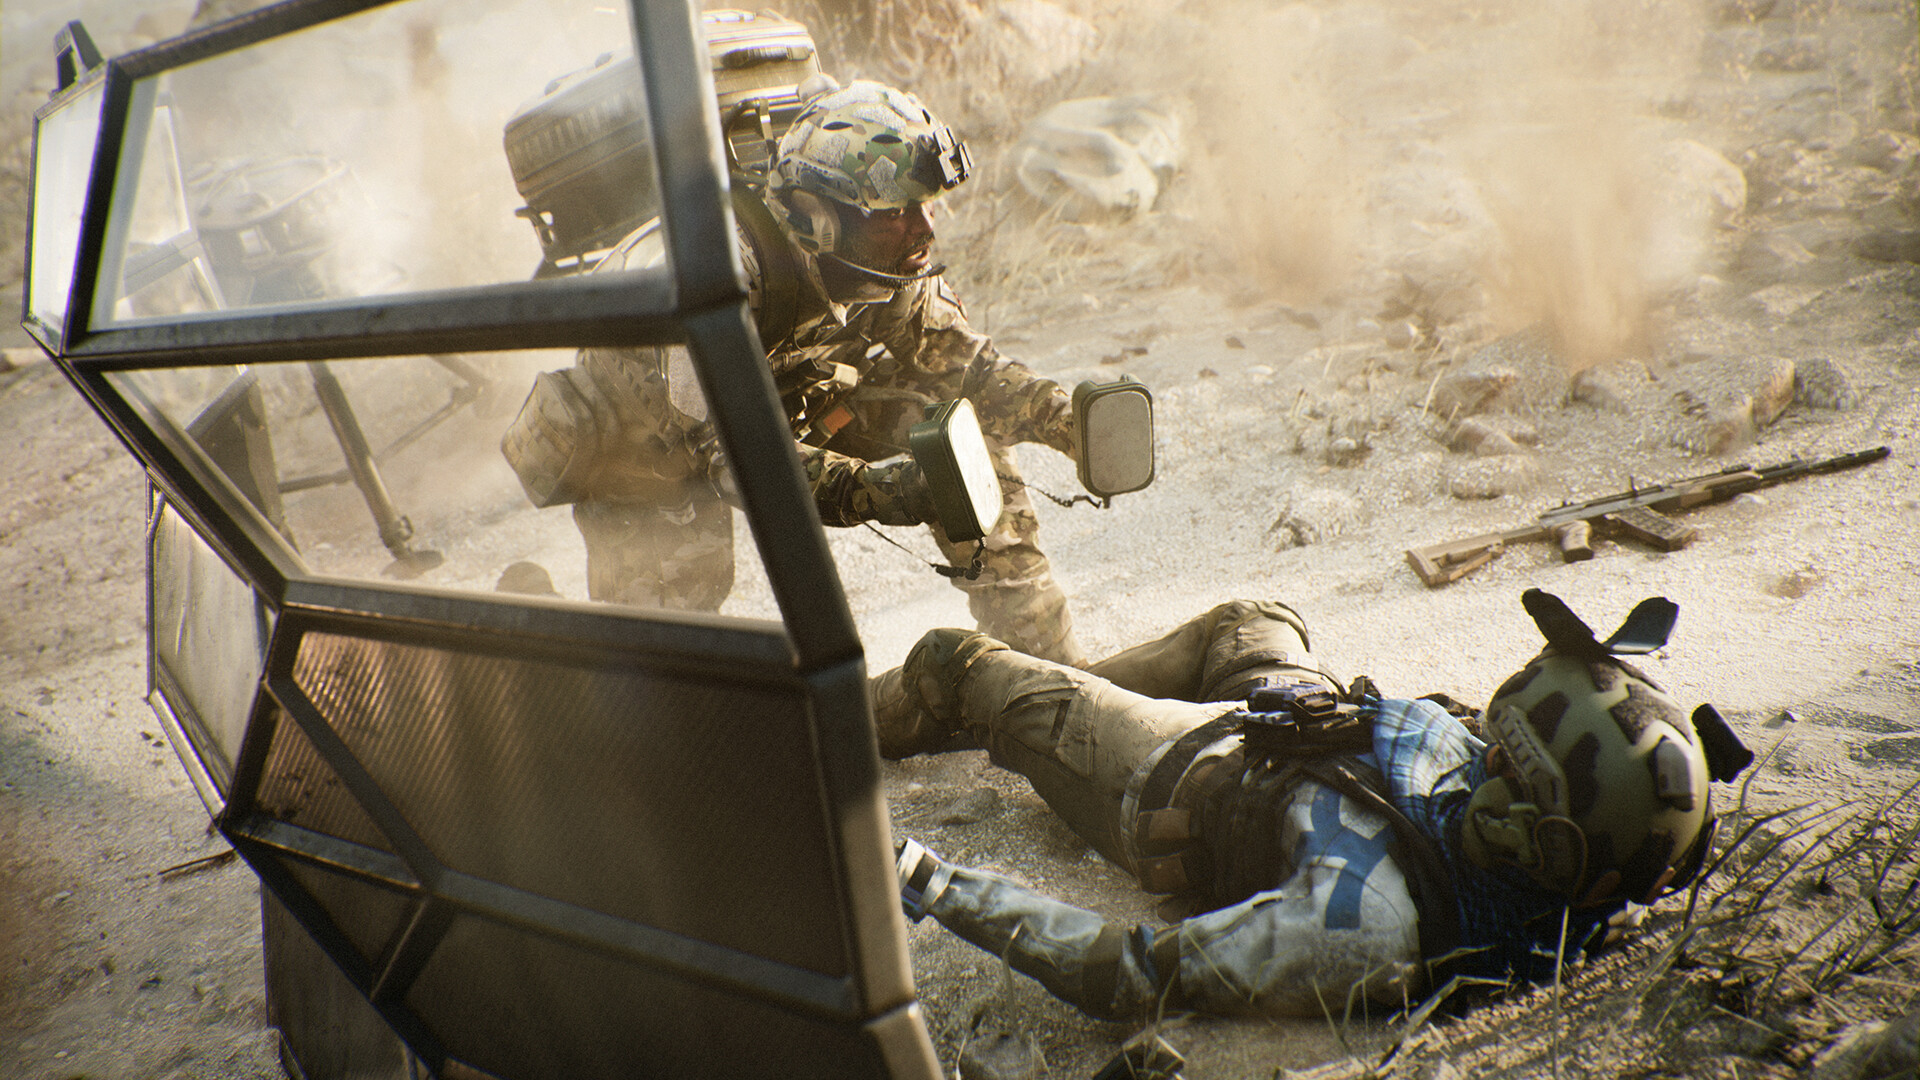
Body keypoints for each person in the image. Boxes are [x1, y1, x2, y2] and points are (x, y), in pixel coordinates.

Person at [874, 589, 1754, 1020]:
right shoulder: (1545, 853)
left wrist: (932, 883)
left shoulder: (1365, 918)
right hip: (1297, 719)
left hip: (1171, 771)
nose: (1485, 755)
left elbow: (1130, 972)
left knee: (953, 656)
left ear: (1535, 836)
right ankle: (1033, 704)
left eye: (1503, 765)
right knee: (1254, 615)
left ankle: (877, 723)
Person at [548, 77, 1089, 664]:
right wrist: (876, 490)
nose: (926, 228)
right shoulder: (716, 280)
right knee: (671, 644)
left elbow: (965, 367)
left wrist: (1069, 422)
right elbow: (730, 456)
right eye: (897, 212)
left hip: (784, 397)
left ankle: (1048, 660)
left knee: (953, 427)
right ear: (819, 218)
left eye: (926, 205)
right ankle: (537, 625)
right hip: (655, 438)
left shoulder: (888, 263)